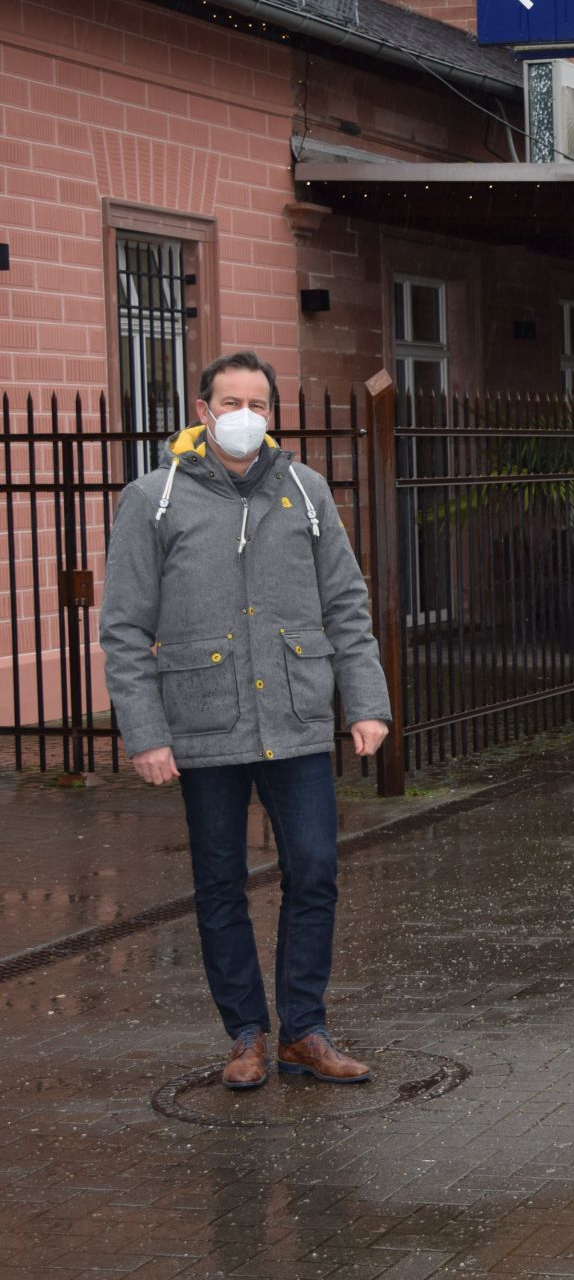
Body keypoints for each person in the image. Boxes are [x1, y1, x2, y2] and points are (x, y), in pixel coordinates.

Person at [101, 352, 392, 1088]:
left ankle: (304, 1029)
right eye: (229, 400)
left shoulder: (305, 489)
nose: (244, 414)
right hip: (203, 725)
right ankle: (244, 1035)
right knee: (220, 882)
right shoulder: (153, 499)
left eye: (258, 403)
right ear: (202, 410)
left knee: (315, 868)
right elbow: (125, 626)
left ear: (272, 414)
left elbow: (347, 606)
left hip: (293, 716)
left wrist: (365, 702)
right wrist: (146, 731)